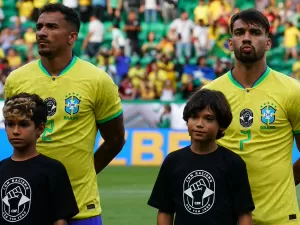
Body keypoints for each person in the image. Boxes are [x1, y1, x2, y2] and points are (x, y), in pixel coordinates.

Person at [4, 3, 125, 225]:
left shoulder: (97, 80)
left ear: (72, 37)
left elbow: (115, 139)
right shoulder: (17, 80)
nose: (41, 32)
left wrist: (84, 174)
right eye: (39, 26)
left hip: (81, 208)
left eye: (51, 26)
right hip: (28, 206)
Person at [204, 9, 300, 225]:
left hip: (279, 217)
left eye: (255, 32)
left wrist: (284, 183)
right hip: (223, 216)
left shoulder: (293, 92)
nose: (246, 37)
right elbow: (200, 155)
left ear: (268, 43)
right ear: (230, 43)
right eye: (239, 32)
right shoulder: (210, 94)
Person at [148, 89, 255, 225]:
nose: (199, 124)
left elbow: (244, 213)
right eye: (194, 117)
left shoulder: (233, 163)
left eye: (208, 119)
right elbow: (165, 211)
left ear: (221, 125)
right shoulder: (173, 161)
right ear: (187, 120)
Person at [0, 93, 79, 225]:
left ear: (40, 128)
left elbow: (60, 220)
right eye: (10, 124)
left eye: (24, 124)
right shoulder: (2, 169)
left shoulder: (53, 169)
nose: (15, 131)